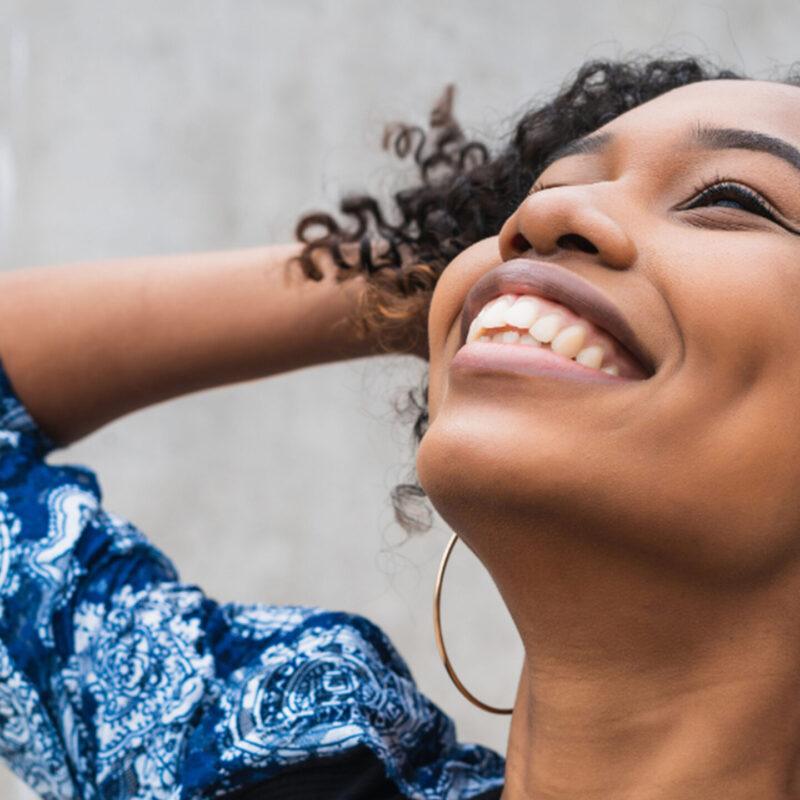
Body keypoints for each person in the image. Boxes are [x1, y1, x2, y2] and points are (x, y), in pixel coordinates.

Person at [0, 52, 798, 799]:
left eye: (730, 200)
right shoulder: (270, 762)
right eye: (536, 193)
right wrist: (430, 274)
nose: (546, 213)